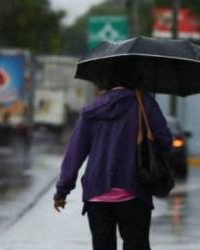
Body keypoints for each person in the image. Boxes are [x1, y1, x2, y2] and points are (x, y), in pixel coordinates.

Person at [53, 86, 172, 250]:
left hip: (97, 194)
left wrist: (62, 191)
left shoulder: (92, 109)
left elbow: (75, 153)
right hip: (135, 191)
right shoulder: (144, 103)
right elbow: (166, 141)